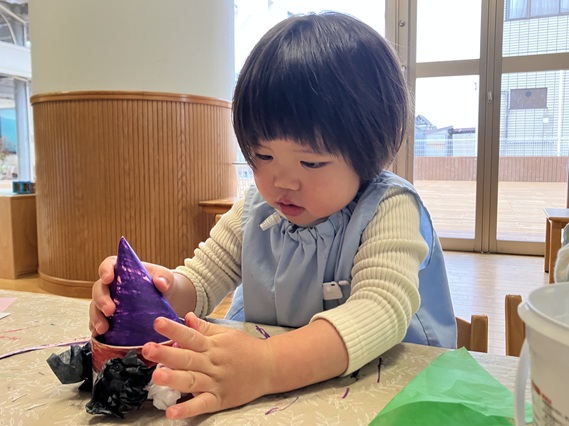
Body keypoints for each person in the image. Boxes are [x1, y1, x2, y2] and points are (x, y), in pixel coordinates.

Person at [89, 11, 456, 420]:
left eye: (311, 162)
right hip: (273, 400)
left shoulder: (388, 207)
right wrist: (150, 292)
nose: (282, 181)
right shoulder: (257, 209)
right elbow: (200, 283)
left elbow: (380, 311)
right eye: (262, 156)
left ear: (370, 151)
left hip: (387, 396)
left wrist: (266, 364)